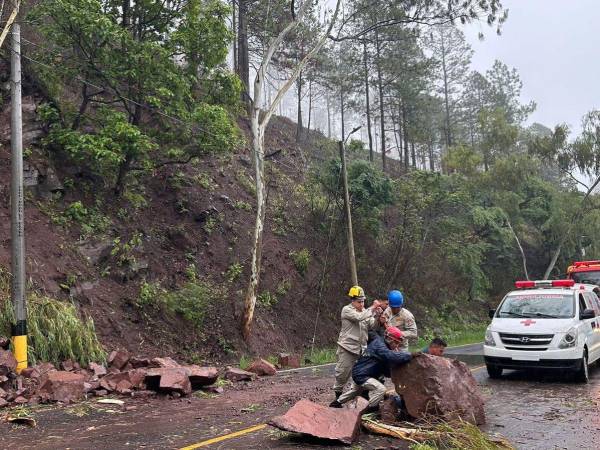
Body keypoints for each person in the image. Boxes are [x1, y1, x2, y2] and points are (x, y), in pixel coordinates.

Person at [330, 327, 413, 411]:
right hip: (362, 374)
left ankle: (336, 402)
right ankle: (368, 410)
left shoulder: (383, 346)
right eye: (396, 342)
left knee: (355, 391)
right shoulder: (379, 345)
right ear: (389, 339)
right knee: (380, 389)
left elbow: (387, 370)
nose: (397, 345)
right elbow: (390, 356)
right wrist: (410, 355)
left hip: (362, 372)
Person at [332, 286, 376, 402]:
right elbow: (359, 318)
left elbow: (373, 325)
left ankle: (361, 397)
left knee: (363, 373)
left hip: (361, 349)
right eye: (359, 302)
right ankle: (337, 398)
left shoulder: (365, 312)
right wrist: (372, 308)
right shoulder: (347, 310)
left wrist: (377, 315)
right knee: (342, 373)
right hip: (347, 347)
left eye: (363, 301)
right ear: (353, 300)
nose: (362, 304)